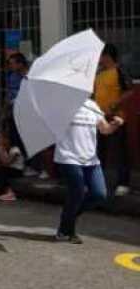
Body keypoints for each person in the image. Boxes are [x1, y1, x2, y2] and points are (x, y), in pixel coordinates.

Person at [55, 98, 123, 244]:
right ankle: (67, 229)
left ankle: (68, 219)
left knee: (99, 194)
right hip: (68, 157)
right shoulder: (61, 105)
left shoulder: (92, 106)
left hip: (91, 159)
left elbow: (105, 130)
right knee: (78, 191)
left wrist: (115, 124)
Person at [93, 44, 134, 196]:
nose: (98, 59)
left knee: (119, 151)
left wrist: (116, 103)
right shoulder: (98, 73)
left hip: (116, 117)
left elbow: (130, 91)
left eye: (100, 56)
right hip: (100, 118)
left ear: (107, 56)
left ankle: (123, 183)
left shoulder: (119, 70)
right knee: (99, 151)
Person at [0, 133, 24, 202]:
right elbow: (1, 163)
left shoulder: (15, 149)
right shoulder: (3, 149)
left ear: (7, 140)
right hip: (8, 169)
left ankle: (9, 193)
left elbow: (7, 162)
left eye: (1, 138)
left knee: (3, 170)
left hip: (17, 170)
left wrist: (0, 152)